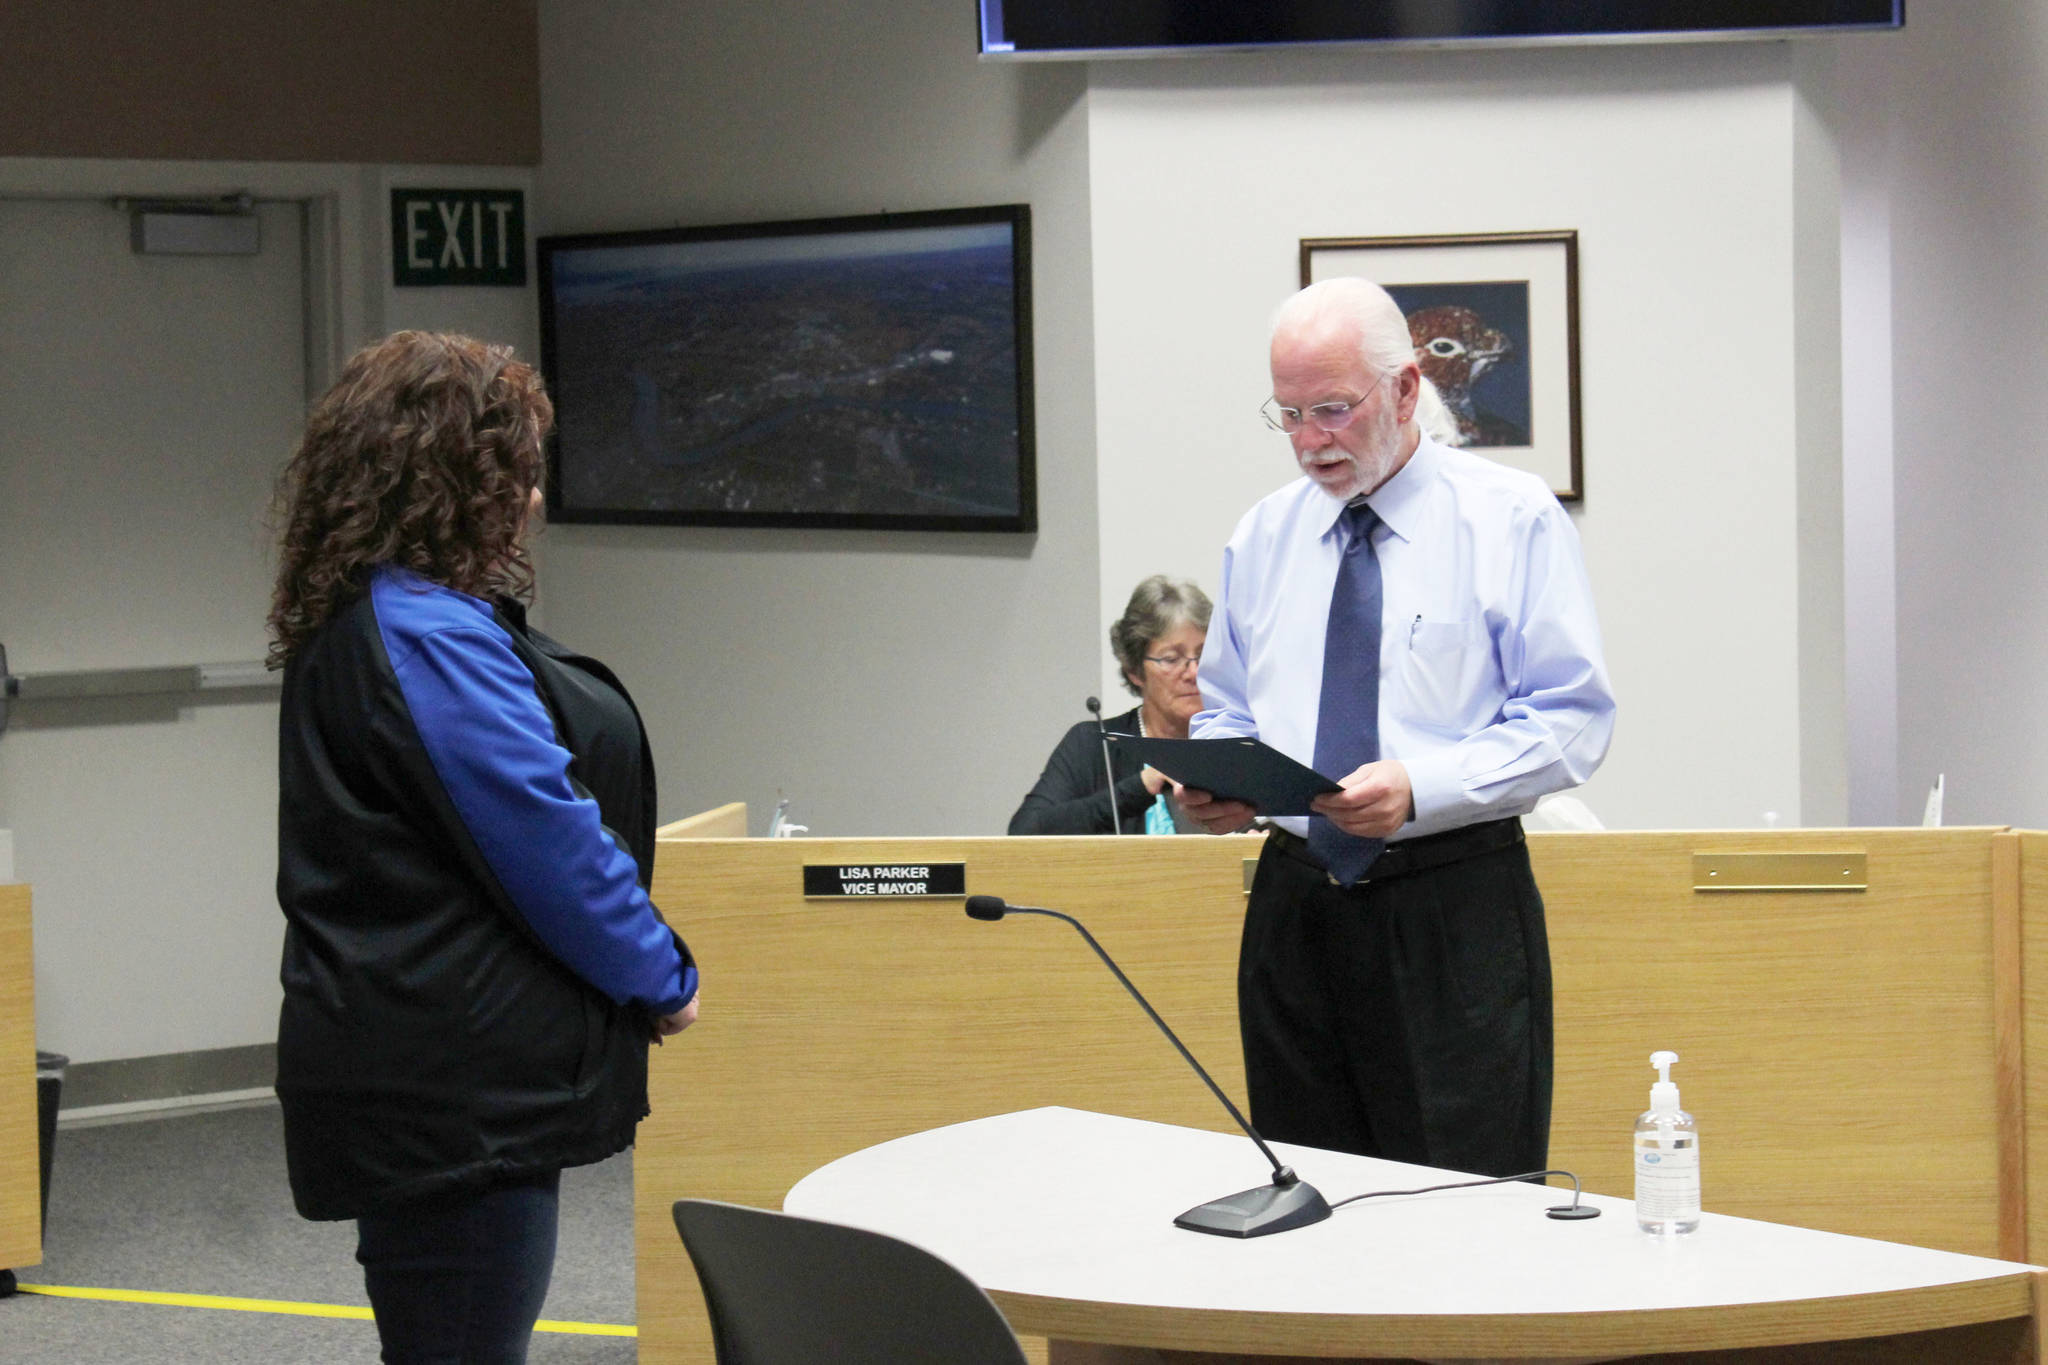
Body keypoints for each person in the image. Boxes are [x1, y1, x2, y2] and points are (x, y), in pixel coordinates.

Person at [267, 331, 699, 1364]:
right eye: (520, 471)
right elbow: (548, 844)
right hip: (458, 1098)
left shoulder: (370, 615)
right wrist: (661, 975)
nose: (535, 500)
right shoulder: (428, 637)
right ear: (455, 479)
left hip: (420, 1068)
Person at [1182, 278, 1613, 1178]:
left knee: (1464, 1203)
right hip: (1295, 909)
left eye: (1333, 410)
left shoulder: (1510, 517)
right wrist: (1218, 780)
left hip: (1450, 906)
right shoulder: (1264, 536)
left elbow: (1571, 720)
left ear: (1408, 388)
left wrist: (1423, 787)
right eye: (1289, 413)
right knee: (1309, 1195)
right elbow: (1227, 705)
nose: (1309, 442)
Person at [1008, 574, 1211, 835]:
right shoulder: (1094, 745)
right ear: (1134, 671)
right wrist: (1139, 787)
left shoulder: (1236, 740)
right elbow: (1026, 832)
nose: (1193, 672)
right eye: (1172, 659)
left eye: (1203, 655)